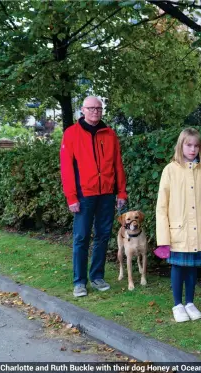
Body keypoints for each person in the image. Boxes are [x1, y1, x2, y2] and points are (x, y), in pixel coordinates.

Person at [60, 96, 128, 298]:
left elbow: (118, 165)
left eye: (99, 108)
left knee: (102, 236)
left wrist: (121, 192)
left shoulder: (110, 134)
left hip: (106, 194)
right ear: (83, 110)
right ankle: (79, 282)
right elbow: (66, 169)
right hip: (84, 195)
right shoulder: (71, 134)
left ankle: (97, 276)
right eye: (91, 108)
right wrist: (71, 197)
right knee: (81, 238)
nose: (96, 112)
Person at [155, 128, 201, 322]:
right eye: (188, 145)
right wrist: (163, 238)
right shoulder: (170, 170)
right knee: (178, 267)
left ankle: (189, 302)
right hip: (177, 232)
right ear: (180, 145)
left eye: (196, 145)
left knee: (192, 268)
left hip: (197, 229)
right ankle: (177, 304)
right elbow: (161, 206)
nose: (192, 149)